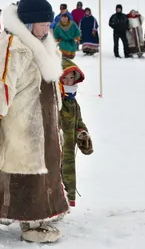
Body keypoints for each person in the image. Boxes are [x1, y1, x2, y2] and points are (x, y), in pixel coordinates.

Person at [0, 0, 69, 243]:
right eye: (43, 22)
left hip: (38, 122)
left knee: (38, 162)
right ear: (29, 23)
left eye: (49, 22)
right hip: (18, 124)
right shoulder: (12, 46)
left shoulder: (40, 45)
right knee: (21, 163)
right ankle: (31, 221)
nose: (47, 27)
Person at [58, 58, 93, 207]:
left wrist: (82, 132)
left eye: (71, 78)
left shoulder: (73, 102)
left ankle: (64, 200)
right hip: (55, 146)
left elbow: (79, 121)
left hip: (69, 148)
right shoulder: (56, 99)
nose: (68, 81)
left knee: (67, 172)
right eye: (64, 78)